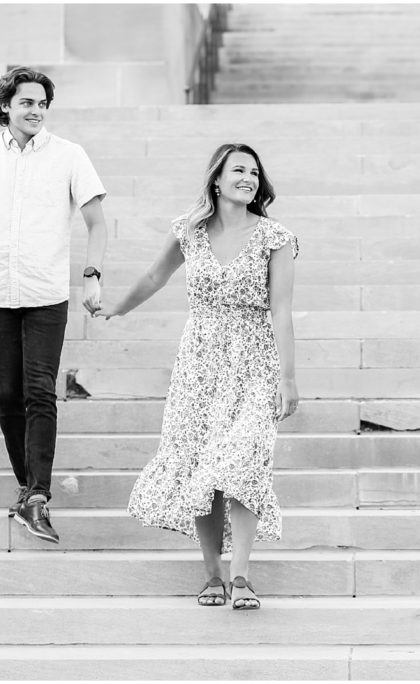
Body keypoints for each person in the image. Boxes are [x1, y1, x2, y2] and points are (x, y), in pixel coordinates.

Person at [95, 143, 299, 610]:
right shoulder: (189, 230)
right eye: (238, 170)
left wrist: (288, 378)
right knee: (203, 467)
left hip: (254, 362)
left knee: (244, 464)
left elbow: (282, 311)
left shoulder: (276, 238)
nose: (248, 178)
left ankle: (242, 576)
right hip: (199, 362)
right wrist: (118, 307)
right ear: (217, 180)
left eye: (254, 172)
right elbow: (153, 276)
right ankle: (212, 573)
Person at [0, 66, 109, 544]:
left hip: (45, 293)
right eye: (27, 103)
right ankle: (26, 486)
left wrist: (92, 276)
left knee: (40, 392)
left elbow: (97, 224)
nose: (36, 111)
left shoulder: (69, 156)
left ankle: (37, 497)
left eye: (42, 104)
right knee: (7, 394)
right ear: (5, 107)